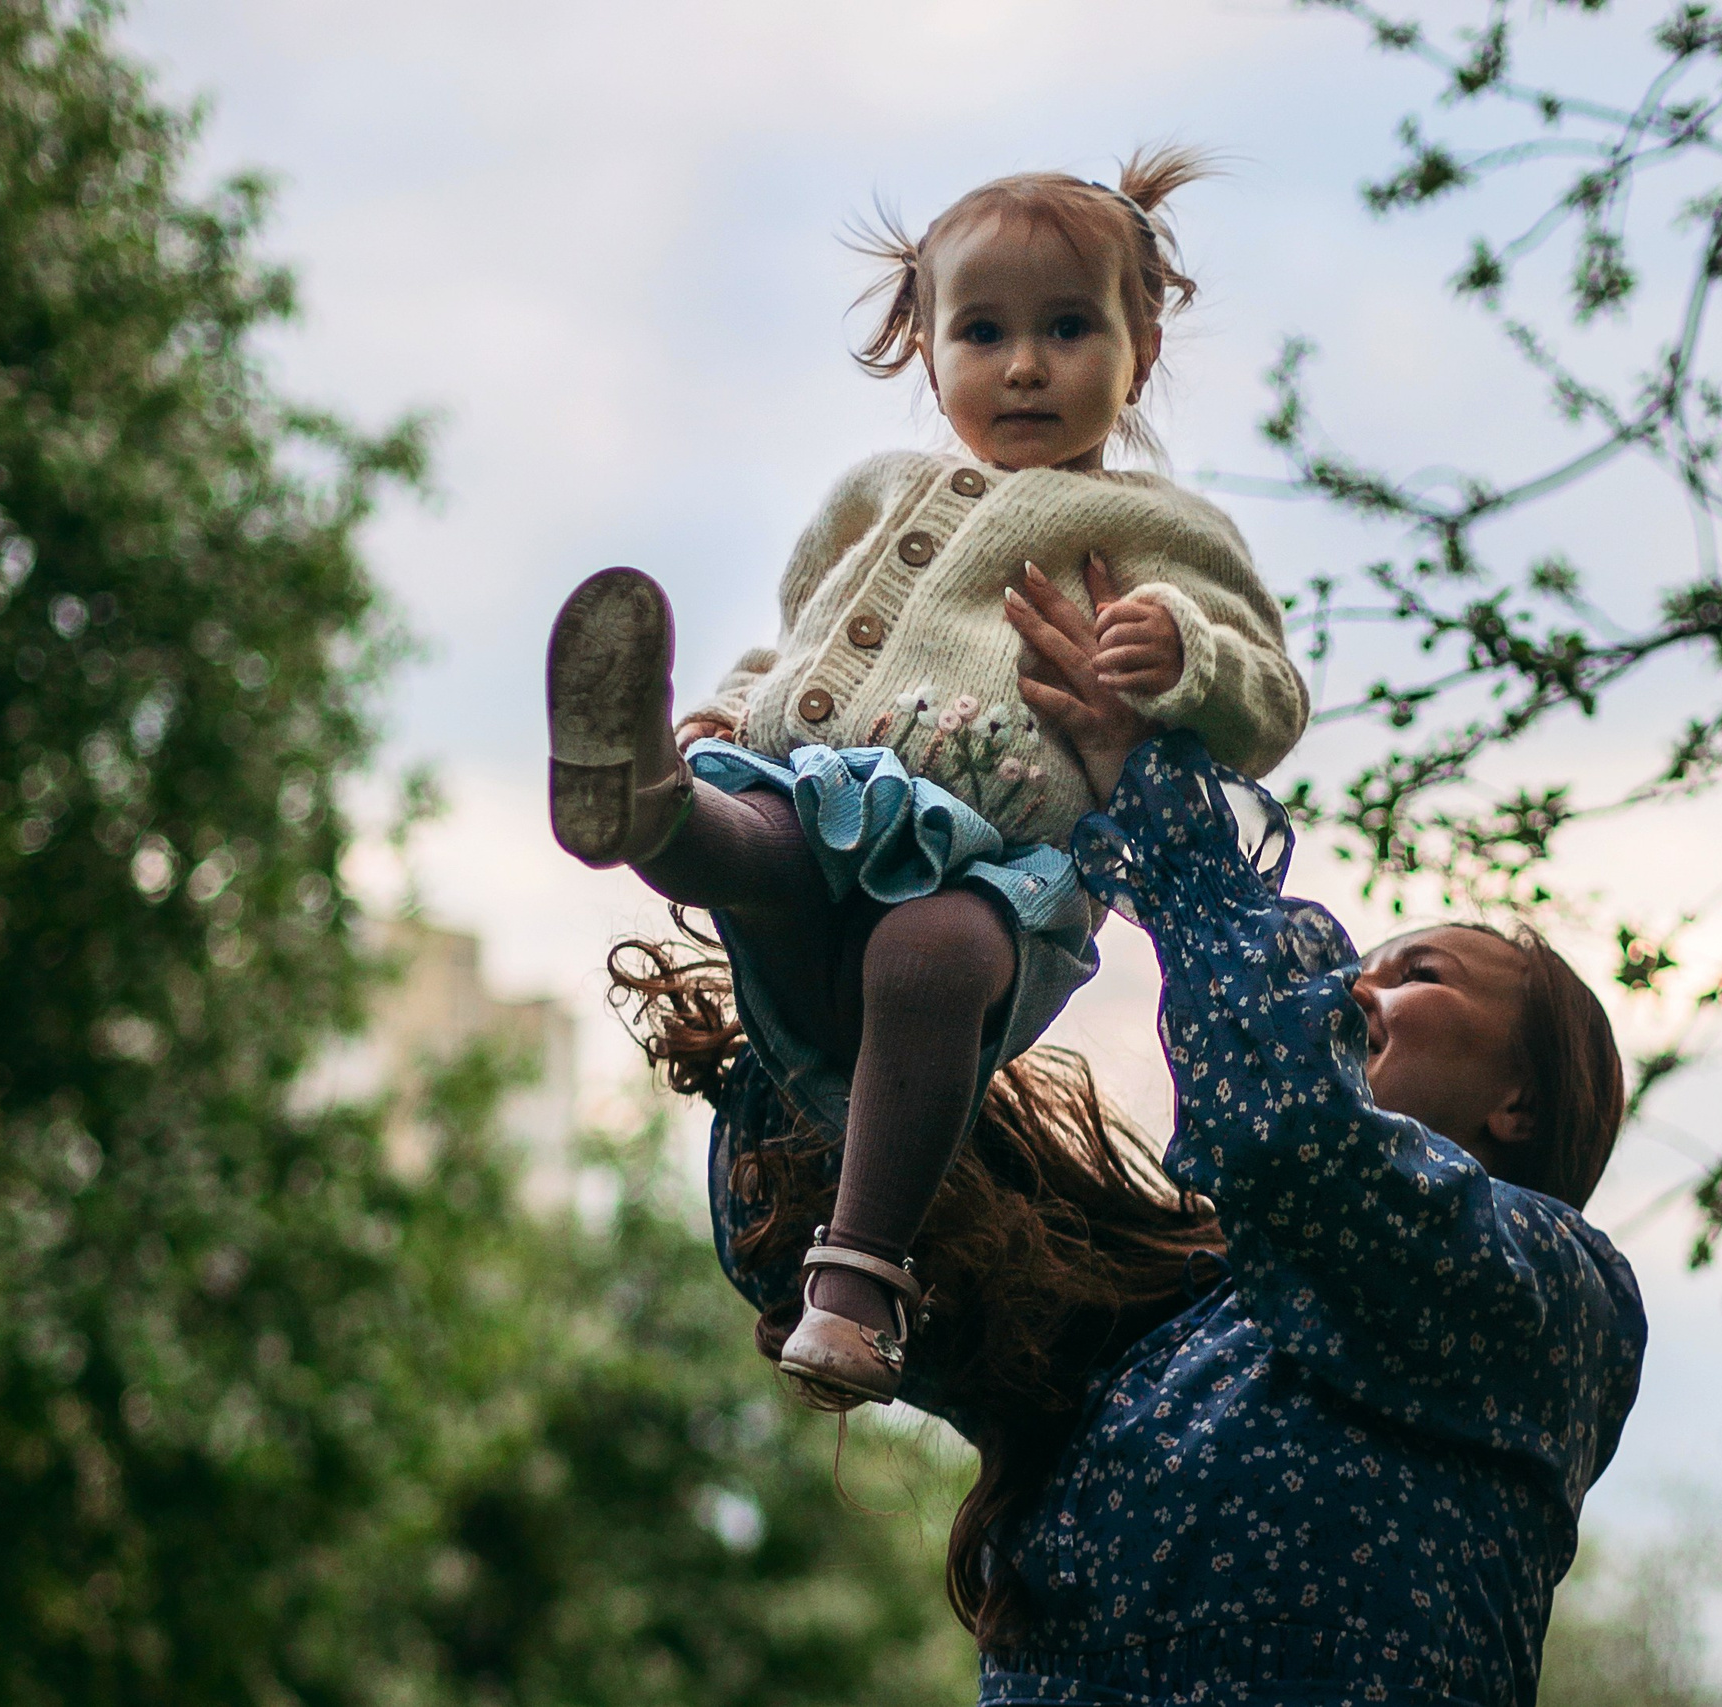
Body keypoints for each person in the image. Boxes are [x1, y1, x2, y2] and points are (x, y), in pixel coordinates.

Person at [612, 568, 1646, 1703]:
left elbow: (1289, 1130)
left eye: (1420, 974)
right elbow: (781, 1216)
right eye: (1359, 962)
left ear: (1521, 1103)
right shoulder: (1166, 1321)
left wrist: (1151, 797)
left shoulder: (1560, 1304)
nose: (1350, 985)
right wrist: (846, 880)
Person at [546, 146, 1309, 1409]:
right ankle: (645, 803)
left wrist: (1186, 658)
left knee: (931, 956)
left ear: (1141, 351)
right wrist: (730, 707)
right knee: (759, 833)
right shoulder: (874, 492)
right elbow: (800, 642)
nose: (1025, 366)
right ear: (925, 349)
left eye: (1068, 328)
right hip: (822, 798)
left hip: (993, 871)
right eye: (983, 332)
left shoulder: (1162, 532)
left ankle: (857, 1283)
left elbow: (1272, 700)